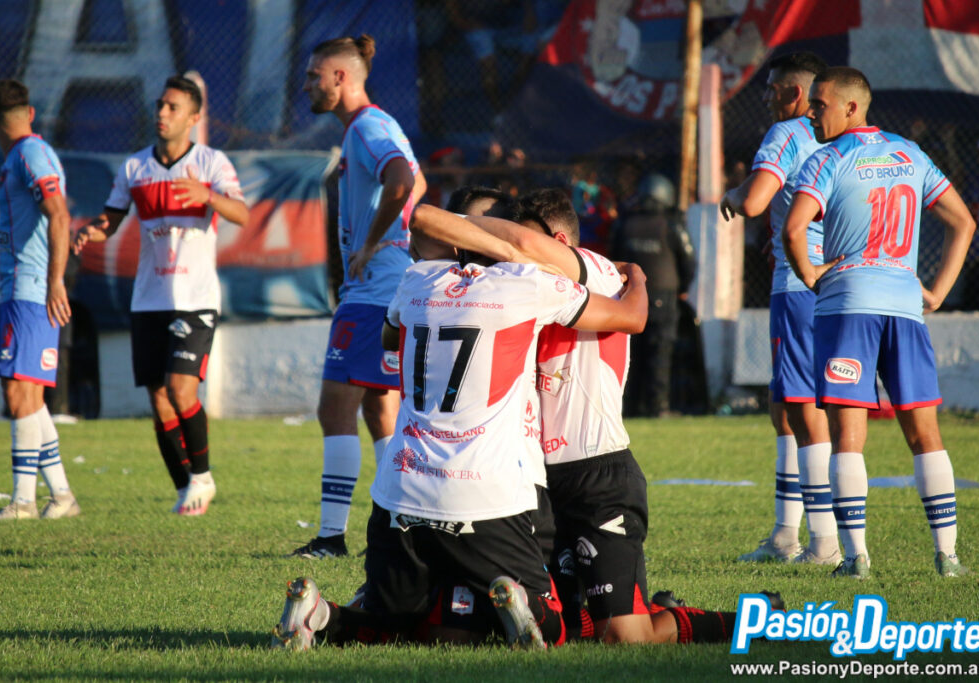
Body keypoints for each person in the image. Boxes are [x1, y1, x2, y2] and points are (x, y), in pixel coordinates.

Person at [271, 225, 648, 650]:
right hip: (484, 494)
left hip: (400, 491)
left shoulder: (417, 279)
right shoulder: (526, 283)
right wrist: (635, 275)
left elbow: (389, 336)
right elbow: (631, 317)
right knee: (556, 626)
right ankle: (523, 600)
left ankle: (320, 614)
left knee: (395, 625)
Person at [411, 192, 759, 645]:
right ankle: (645, 606)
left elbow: (523, 247)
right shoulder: (519, 289)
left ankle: (755, 617)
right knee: (549, 622)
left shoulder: (595, 271)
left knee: (627, 637)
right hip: (535, 483)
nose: (510, 258)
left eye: (521, 245)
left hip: (598, 477)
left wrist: (469, 226)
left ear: (558, 244)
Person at [783, 66, 976, 578]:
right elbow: (964, 221)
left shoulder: (827, 159)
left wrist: (810, 275)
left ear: (851, 107)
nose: (810, 113)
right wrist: (938, 291)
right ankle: (948, 556)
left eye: (819, 104)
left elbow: (794, 228)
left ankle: (856, 558)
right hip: (904, 306)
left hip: (848, 307)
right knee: (925, 432)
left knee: (848, 434)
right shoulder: (910, 153)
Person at [72, 75, 249, 516]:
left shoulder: (211, 162)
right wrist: (93, 230)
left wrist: (207, 195)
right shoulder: (135, 167)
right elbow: (112, 220)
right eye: (160, 105)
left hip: (194, 298)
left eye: (173, 107)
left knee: (180, 389)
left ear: (194, 117)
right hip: (148, 298)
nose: (162, 114)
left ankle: (203, 477)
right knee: (158, 398)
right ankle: (185, 487)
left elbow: (242, 214)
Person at [294, 34, 426, 559]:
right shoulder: (377, 125)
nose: (308, 84)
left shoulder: (368, 127)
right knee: (379, 410)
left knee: (335, 409)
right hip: (388, 289)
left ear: (340, 78)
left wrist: (373, 243)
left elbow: (403, 180)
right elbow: (417, 184)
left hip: (372, 292)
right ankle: (400, 526)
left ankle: (331, 537)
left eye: (314, 76)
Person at [720, 52, 841, 565]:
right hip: (838, 282)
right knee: (785, 410)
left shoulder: (787, 133)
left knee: (802, 409)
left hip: (798, 282)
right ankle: (785, 535)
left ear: (794, 93)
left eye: (772, 89)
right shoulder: (845, 139)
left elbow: (753, 202)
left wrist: (734, 192)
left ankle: (824, 542)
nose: (767, 98)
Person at [0, 79, 79, 520]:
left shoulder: (30, 154)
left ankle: (23, 501)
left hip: (29, 289)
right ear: (30, 113)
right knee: (26, 394)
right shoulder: (23, 156)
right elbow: (36, 211)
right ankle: (62, 496)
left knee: (18, 393)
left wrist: (55, 281)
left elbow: (59, 214)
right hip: (23, 289)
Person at [614, 174, 696, 418]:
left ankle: (628, 407)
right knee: (660, 353)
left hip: (629, 296)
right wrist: (682, 288)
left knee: (630, 354)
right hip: (663, 298)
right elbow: (688, 262)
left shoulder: (625, 223)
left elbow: (613, 257)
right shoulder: (671, 224)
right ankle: (658, 406)